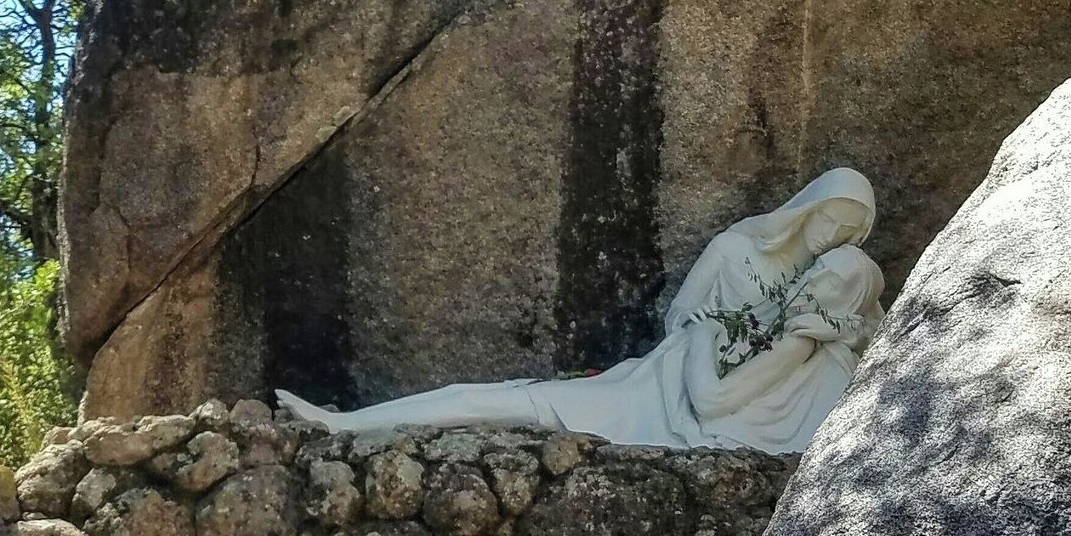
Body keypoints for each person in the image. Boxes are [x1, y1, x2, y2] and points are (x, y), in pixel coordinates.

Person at [276, 168, 885, 457]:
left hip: (717, 407)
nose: (836, 237)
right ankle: (347, 424)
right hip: (663, 382)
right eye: (834, 219)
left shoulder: (816, 304)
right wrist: (714, 339)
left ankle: (348, 424)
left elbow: (868, 336)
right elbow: (680, 321)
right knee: (503, 398)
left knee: (516, 404)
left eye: (851, 234)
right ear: (808, 208)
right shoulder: (734, 249)